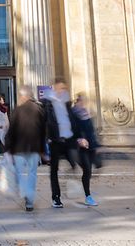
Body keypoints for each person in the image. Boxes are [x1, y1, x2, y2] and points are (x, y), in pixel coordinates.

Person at [45, 78, 96, 208]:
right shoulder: (47, 103)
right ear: (55, 87)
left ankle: (85, 194)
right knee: (54, 170)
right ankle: (56, 197)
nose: (63, 91)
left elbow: (74, 122)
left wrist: (80, 138)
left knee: (82, 166)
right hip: (55, 141)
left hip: (70, 140)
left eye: (64, 88)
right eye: (61, 88)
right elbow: (43, 123)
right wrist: (46, 139)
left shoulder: (67, 103)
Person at [3, 85, 45, 212]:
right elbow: (43, 131)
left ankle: (25, 192)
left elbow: (11, 130)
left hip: (19, 148)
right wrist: (43, 149)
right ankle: (30, 200)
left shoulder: (17, 110)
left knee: (20, 173)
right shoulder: (39, 109)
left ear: (23, 96)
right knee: (32, 173)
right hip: (34, 147)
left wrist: (7, 148)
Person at [72, 91, 100, 205]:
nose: (84, 103)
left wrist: (97, 146)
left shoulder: (87, 113)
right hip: (79, 148)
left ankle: (86, 192)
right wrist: (78, 140)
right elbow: (70, 131)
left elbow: (91, 132)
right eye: (82, 100)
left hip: (90, 147)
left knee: (89, 171)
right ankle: (88, 196)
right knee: (87, 169)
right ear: (78, 101)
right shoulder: (73, 114)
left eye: (85, 101)